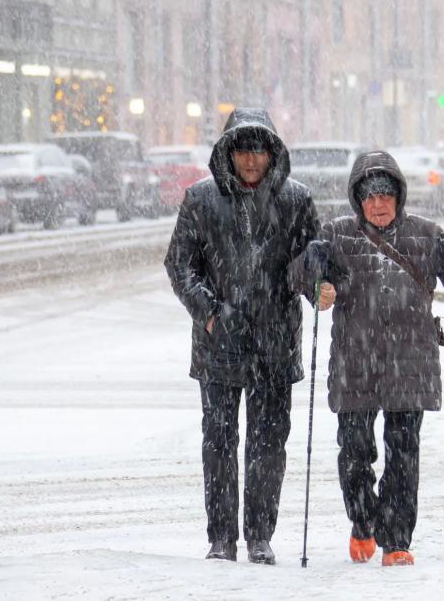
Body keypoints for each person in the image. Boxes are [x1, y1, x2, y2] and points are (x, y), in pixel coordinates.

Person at [290, 151, 444, 567]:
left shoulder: (427, 235)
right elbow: (299, 277)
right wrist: (313, 268)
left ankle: (396, 541)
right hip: (354, 364)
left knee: (403, 455)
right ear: (357, 200)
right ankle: (363, 522)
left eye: (385, 196)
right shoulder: (337, 236)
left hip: (410, 364)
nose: (378, 205)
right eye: (369, 197)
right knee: (355, 453)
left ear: (399, 196)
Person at [164, 108, 320, 565]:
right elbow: (180, 264)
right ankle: (221, 537)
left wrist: (317, 285)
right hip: (219, 344)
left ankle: (259, 535)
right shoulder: (200, 199)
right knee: (218, 443)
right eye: (242, 149)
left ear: (272, 153)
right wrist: (209, 313)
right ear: (227, 152)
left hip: (276, 343)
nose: (251, 160)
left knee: (269, 445)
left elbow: (310, 263)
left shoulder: (297, 201)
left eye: (259, 149)